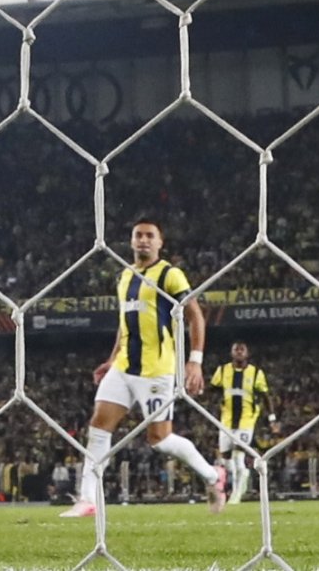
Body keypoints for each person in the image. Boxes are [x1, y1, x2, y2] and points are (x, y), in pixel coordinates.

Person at [60, 219, 226, 517]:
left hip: (157, 370)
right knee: (98, 427)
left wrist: (195, 361)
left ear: (160, 243)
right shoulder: (125, 276)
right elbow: (125, 324)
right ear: (131, 240)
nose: (144, 240)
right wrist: (113, 358)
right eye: (138, 235)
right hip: (124, 367)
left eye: (150, 236)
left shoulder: (170, 275)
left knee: (159, 440)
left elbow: (195, 317)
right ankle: (88, 499)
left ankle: (213, 476)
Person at [211, 340, 277, 504]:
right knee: (226, 458)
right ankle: (237, 484)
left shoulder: (256, 373)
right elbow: (213, 390)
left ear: (247, 353)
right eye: (236, 349)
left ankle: (237, 494)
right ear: (231, 353)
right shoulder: (222, 370)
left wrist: (272, 419)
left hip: (246, 421)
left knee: (238, 456)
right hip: (226, 421)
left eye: (242, 349)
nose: (239, 352)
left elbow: (266, 396)